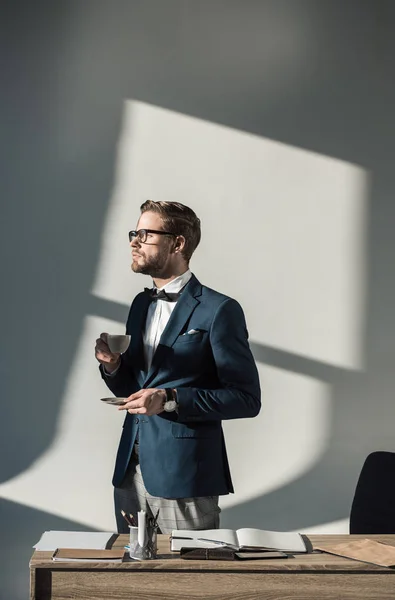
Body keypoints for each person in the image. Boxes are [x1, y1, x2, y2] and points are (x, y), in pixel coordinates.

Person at [95, 200, 261, 534]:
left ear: (177, 243)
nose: (134, 241)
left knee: (191, 579)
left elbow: (246, 399)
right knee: (133, 579)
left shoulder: (219, 309)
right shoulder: (141, 304)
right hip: (131, 471)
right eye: (134, 232)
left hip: (186, 475)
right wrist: (113, 366)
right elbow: (134, 390)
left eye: (145, 233)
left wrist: (170, 397)